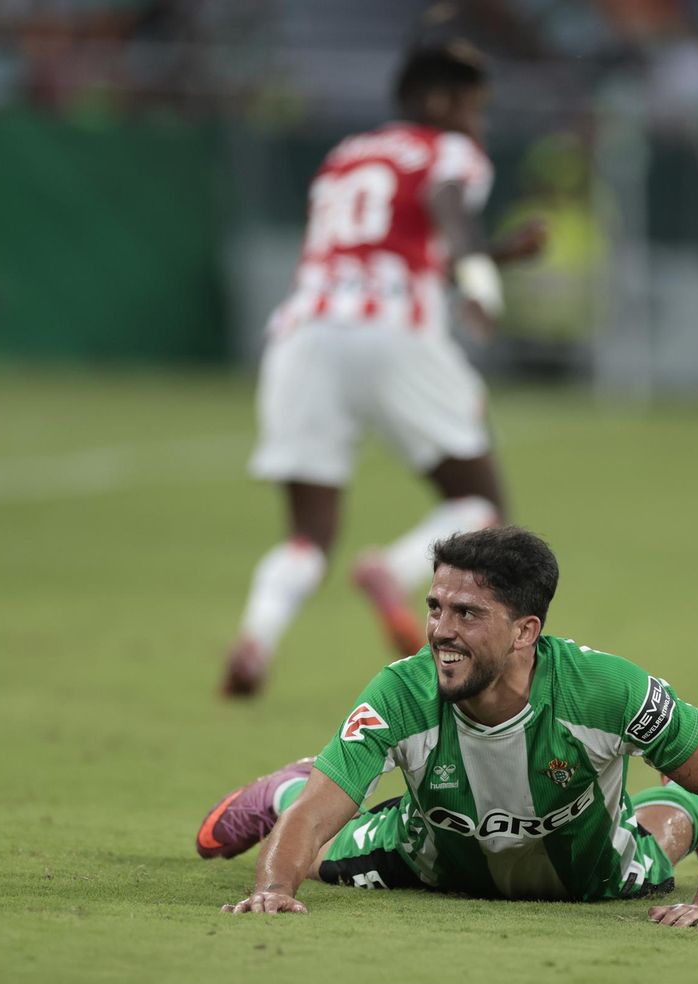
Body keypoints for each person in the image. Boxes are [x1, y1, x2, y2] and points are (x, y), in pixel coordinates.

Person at [197, 527, 698, 930]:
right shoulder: (401, 692)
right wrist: (273, 890)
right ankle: (285, 787)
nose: (440, 631)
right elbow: (321, 813)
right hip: (429, 860)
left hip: (589, 876)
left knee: (662, 838)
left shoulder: (608, 691)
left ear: (525, 631)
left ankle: (688, 806)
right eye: (435, 607)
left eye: (467, 614)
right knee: (317, 854)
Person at [220, 40, 547, 697]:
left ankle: (257, 637)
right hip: (393, 327)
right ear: (438, 101)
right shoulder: (447, 151)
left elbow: (398, 241)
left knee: (308, 531)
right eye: (474, 108)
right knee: (482, 504)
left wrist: (495, 253)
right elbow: (448, 210)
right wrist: (484, 283)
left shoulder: (345, 156)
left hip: (303, 332)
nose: (478, 124)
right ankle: (391, 569)